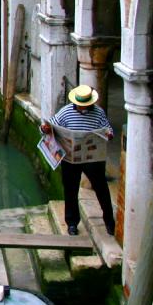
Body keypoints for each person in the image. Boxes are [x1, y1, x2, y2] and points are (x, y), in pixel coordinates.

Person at [41, 84, 116, 237]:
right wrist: (45, 129)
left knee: (101, 188)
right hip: (70, 158)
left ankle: (109, 221)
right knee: (70, 190)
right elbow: (50, 125)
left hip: (92, 159)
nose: (83, 108)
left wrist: (108, 134)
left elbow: (108, 130)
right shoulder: (65, 112)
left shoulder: (99, 113)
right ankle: (72, 223)